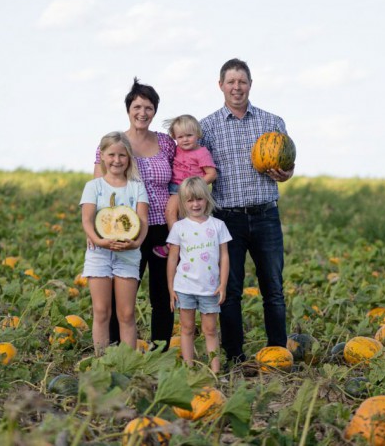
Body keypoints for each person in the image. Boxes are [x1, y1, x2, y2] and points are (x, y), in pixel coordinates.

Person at [200, 58, 295, 365]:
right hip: (227, 219)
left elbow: (288, 165)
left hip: (266, 214)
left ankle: (277, 353)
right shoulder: (207, 127)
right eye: (231, 82)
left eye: (242, 81)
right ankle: (235, 356)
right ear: (221, 86)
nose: (236, 87)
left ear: (250, 85)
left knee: (273, 288)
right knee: (230, 290)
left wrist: (285, 173)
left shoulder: (272, 122)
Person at [93, 78, 175, 350]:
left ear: (155, 111)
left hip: (162, 227)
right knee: (122, 293)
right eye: (137, 106)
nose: (143, 112)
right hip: (124, 228)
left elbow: (181, 178)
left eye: (149, 107)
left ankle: (160, 348)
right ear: (128, 109)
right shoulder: (115, 144)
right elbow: (99, 189)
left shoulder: (166, 143)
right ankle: (117, 348)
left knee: (162, 293)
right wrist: (94, 232)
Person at [81, 131, 149, 354]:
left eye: (122, 155)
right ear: (102, 156)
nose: (117, 160)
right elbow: (87, 220)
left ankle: (127, 364)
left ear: (129, 158)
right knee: (101, 311)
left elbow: (143, 221)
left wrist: (135, 243)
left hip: (128, 254)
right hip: (99, 254)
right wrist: (98, 240)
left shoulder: (136, 186)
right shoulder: (94, 186)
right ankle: (102, 360)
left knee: (127, 314)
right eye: (111, 154)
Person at [166, 177, 231, 373]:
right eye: (190, 200)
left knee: (210, 330)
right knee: (186, 329)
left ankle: (215, 371)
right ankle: (189, 368)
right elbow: (172, 258)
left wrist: (223, 284)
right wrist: (170, 287)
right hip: (184, 287)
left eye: (199, 199)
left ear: (207, 199)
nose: (195, 204)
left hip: (209, 288)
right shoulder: (179, 227)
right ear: (183, 203)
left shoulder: (218, 225)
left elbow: (225, 257)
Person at [153, 114, 217, 258]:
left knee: (177, 213)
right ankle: (180, 242)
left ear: (198, 134)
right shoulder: (177, 149)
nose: (185, 140)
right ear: (175, 137)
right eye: (180, 137)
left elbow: (211, 174)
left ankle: (174, 243)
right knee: (178, 216)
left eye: (189, 135)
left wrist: (193, 187)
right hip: (175, 187)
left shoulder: (201, 153)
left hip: (191, 191)